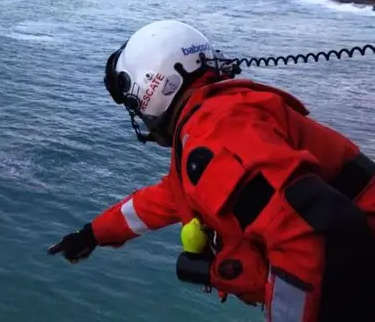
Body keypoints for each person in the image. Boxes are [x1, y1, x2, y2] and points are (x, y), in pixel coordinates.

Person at [47, 20, 375, 321]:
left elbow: (307, 229)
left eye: (134, 105)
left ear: (152, 88)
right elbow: (159, 202)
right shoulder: (217, 119)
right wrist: (92, 234)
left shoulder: (214, 136)